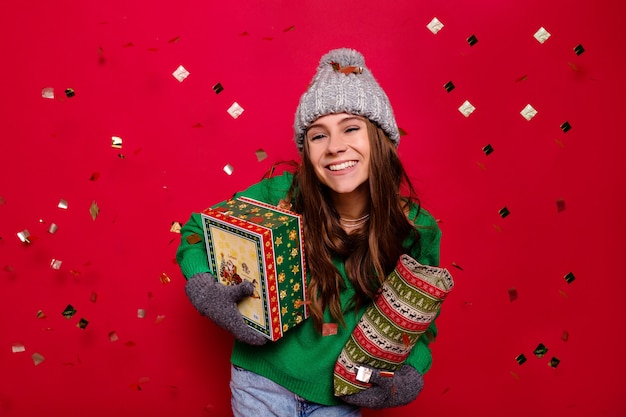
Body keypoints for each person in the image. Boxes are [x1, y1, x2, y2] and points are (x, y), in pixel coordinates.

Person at [176, 48, 442, 416]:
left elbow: (419, 319)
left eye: (351, 128)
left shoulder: (416, 228)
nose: (335, 147)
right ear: (306, 150)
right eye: (318, 136)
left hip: (339, 395)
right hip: (260, 382)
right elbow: (194, 233)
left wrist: (410, 372)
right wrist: (207, 290)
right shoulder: (280, 195)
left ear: (381, 139)